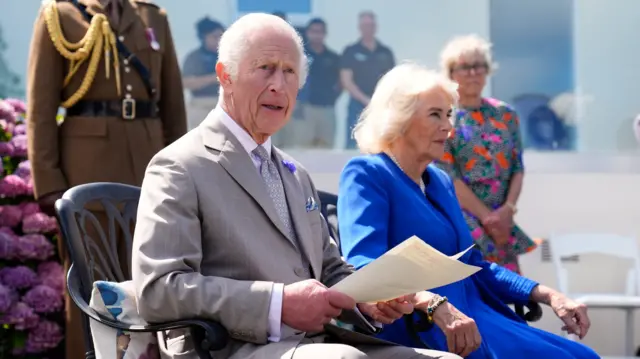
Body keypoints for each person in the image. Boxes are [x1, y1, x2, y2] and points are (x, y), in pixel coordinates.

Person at [131, 13, 459, 359]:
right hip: (231, 348)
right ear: (225, 75)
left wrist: (369, 298)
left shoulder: (294, 173)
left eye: (290, 72)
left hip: (319, 344)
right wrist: (277, 304)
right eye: (265, 68)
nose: (279, 85)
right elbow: (158, 291)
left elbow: (331, 269)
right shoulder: (180, 165)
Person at [337, 63, 600, 359]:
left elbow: (475, 265)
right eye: (435, 114)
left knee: (583, 356)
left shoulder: (440, 180)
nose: (448, 127)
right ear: (400, 119)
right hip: (421, 327)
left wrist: (548, 294)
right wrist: (431, 303)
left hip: (475, 318)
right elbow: (365, 267)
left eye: (449, 115)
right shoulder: (367, 173)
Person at [26, 1, 187, 359]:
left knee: (153, 278)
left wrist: (185, 175)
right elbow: (39, 110)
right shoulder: (59, 15)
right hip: (85, 169)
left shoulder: (151, 17)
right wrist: (49, 182)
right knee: (88, 285)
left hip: (149, 164)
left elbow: (174, 106)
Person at [435, 34, 537, 273]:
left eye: (478, 66)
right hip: (466, 220)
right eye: (465, 67)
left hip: (503, 220)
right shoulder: (444, 116)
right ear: (451, 74)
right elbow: (449, 176)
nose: (473, 73)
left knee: (511, 292)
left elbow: (517, 168)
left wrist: (507, 211)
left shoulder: (506, 114)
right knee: (478, 286)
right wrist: (488, 219)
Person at [340, 11, 395, 149]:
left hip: (381, 106)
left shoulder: (385, 52)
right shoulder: (350, 51)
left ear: (375, 27)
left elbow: (392, 79)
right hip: (357, 106)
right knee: (353, 145)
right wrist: (366, 100)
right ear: (360, 27)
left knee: (381, 143)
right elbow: (346, 81)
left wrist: (378, 101)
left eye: (371, 25)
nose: (368, 28)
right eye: (365, 25)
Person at [300, 18, 341, 148]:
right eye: (314, 31)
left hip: (327, 109)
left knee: (326, 149)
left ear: (325, 34)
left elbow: (341, 82)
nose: (317, 34)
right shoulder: (301, 56)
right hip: (306, 109)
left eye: (320, 31)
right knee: (303, 148)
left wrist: (332, 97)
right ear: (308, 33)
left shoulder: (333, 57)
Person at [182, 17, 225, 130]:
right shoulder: (194, 57)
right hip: (200, 106)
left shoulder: (229, 55)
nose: (218, 40)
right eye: (214, 37)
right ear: (203, 38)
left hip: (226, 106)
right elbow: (186, 83)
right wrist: (214, 78)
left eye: (221, 36)